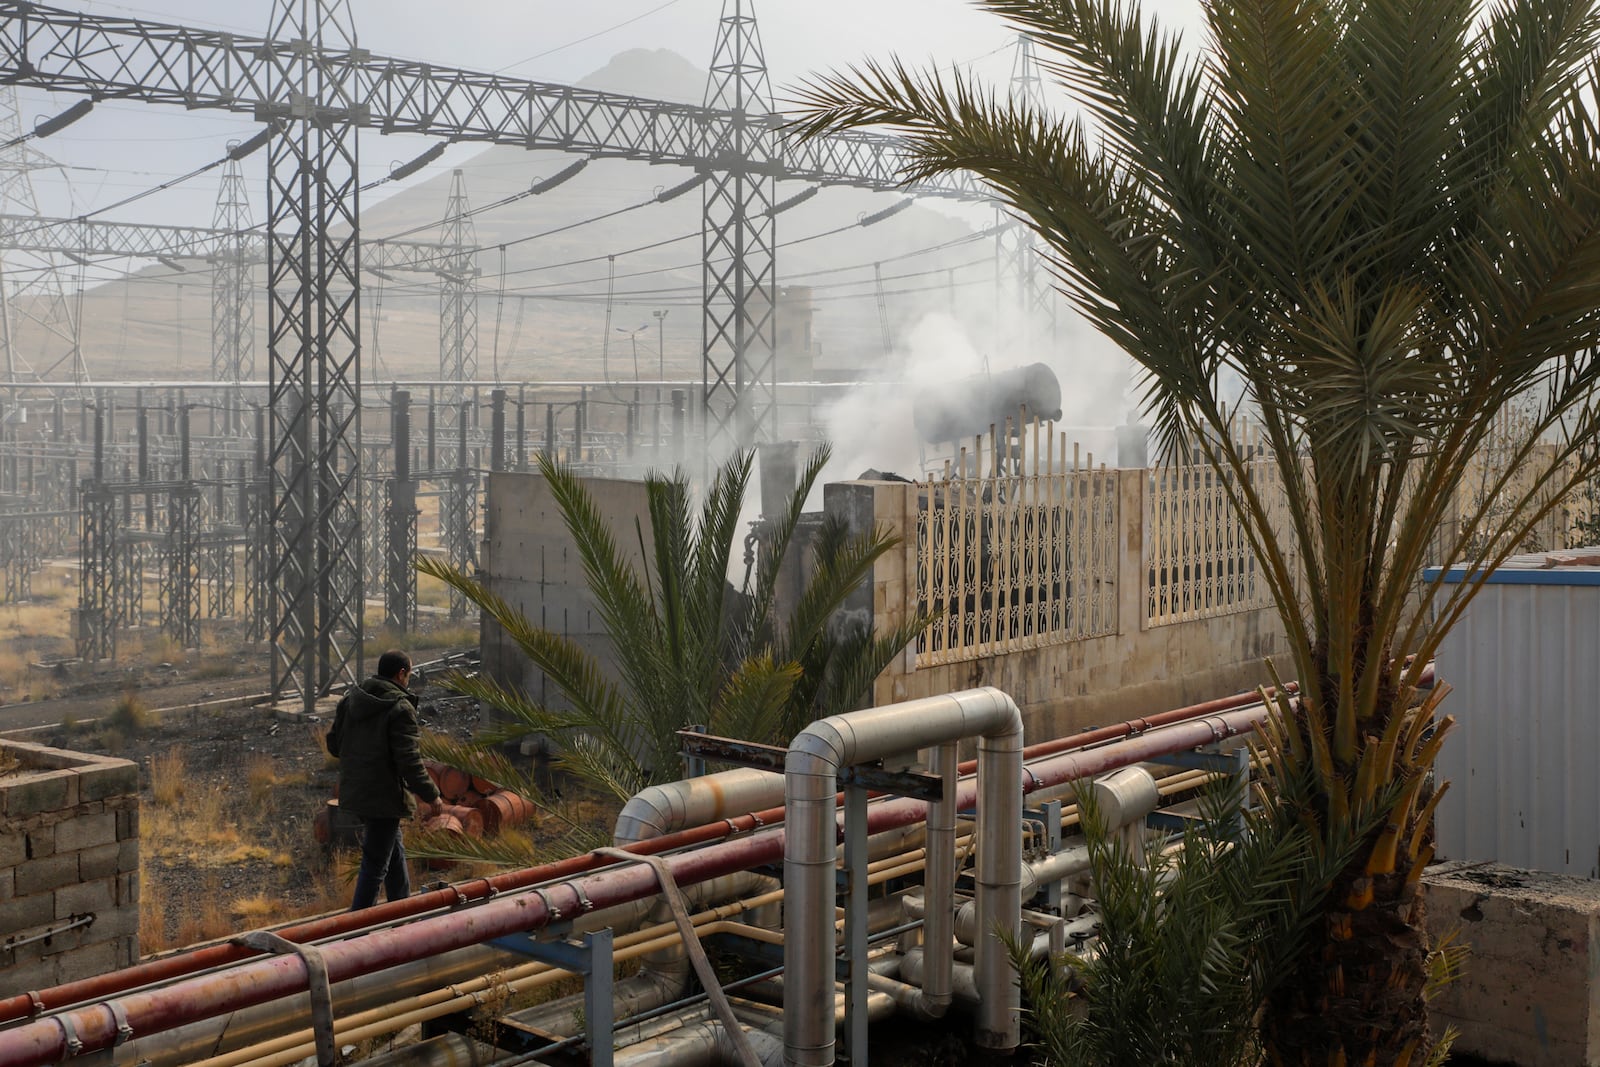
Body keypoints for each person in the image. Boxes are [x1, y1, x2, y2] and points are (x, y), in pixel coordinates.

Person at [325, 649, 441, 910]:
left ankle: (402, 912)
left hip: (355, 792)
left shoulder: (350, 701)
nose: (409, 680)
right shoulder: (400, 709)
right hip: (383, 797)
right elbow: (409, 761)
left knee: (393, 850)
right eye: (409, 674)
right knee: (375, 866)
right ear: (401, 674)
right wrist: (431, 793)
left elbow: (334, 745)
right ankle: (358, 933)